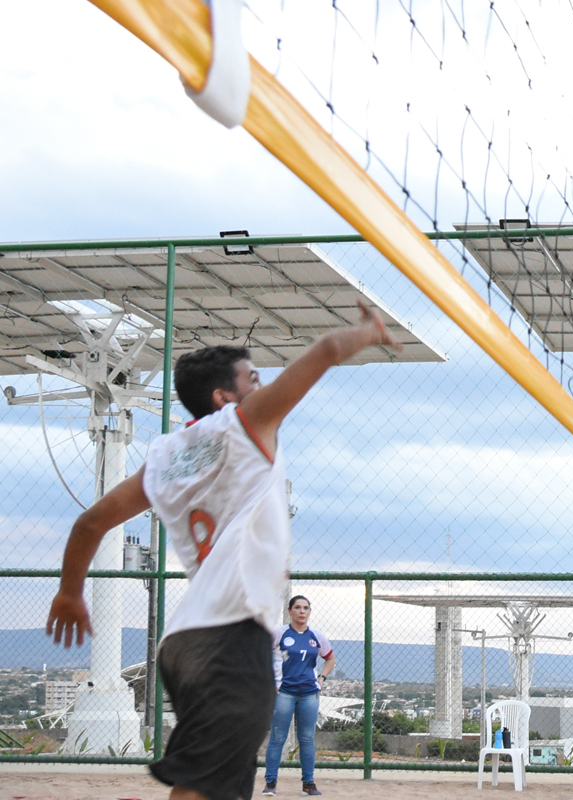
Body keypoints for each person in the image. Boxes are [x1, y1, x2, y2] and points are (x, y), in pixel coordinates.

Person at [45, 300, 401, 800]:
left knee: (217, 786)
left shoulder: (165, 456)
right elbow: (324, 351)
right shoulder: (244, 425)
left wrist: (69, 593)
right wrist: (368, 330)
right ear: (223, 397)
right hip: (231, 637)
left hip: (184, 642)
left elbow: (90, 523)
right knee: (202, 787)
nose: (261, 385)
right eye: (252, 378)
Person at [263, 595, 336, 796]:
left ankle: (308, 784)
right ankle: (270, 783)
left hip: (309, 694)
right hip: (284, 693)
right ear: (289, 611)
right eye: (297, 607)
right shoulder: (279, 634)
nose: (302, 611)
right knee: (278, 738)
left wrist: (321, 678)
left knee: (307, 739)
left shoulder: (316, 636)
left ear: (309, 612)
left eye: (305, 608)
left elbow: (330, 658)